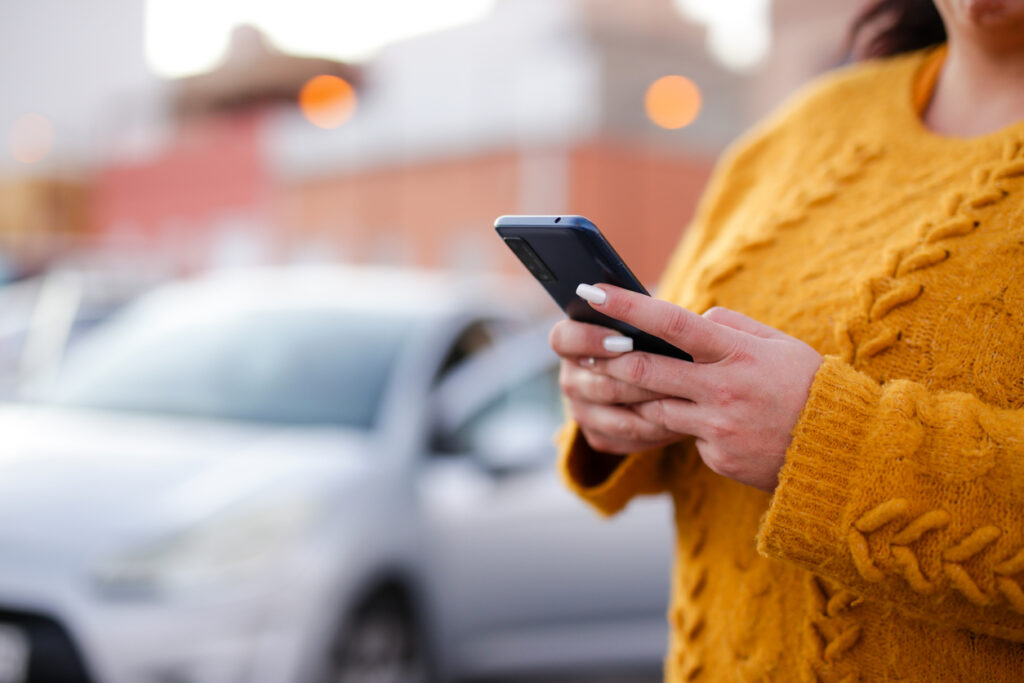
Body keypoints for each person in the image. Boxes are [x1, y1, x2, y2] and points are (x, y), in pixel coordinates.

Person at [549, 0, 1024, 679]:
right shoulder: (805, 128)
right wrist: (619, 399)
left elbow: (790, 425)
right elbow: (695, 372)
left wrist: (825, 443)